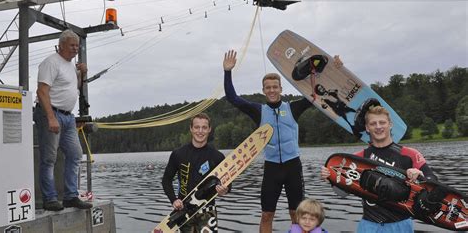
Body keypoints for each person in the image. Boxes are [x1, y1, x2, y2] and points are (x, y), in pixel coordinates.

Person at [223, 49, 342, 233]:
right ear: (263, 90)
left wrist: (333, 69)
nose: (271, 90)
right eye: (268, 87)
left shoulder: (293, 108)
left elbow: (316, 91)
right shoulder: (258, 111)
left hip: (293, 167)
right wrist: (227, 71)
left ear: (280, 88)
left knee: (296, 214)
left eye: (275, 86)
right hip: (271, 169)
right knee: (266, 215)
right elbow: (233, 98)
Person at [321, 105, 437, 233]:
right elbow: (342, 193)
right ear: (367, 128)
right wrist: (331, 179)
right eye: (373, 123)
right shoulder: (358, 158)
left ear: (390, 124)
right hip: (369, 226)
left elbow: (433, 182)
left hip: (401, 225)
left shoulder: (410, 154)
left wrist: (421, 176)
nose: (378, 127)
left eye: (382, 122)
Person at [33, 29, 92, 211]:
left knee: (75, 154)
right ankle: (49, 199)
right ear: (61, 45)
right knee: (49, 158)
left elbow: (75, 88)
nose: (76, 49)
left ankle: (70, 196)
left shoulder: (71, 65)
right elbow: (41, 91)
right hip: (51, 113)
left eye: (77, 45)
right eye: (72, 45)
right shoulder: (51, 62)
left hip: (68, 117)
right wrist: (51, 117)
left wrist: (81, 74)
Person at [162, 113, 230, 232]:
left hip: (208, 212)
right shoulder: (178, 154)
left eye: (204, 127)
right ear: (191, 128)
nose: (200, 131)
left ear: (209, 129)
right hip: (183, 212)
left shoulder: (217, 156)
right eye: (197, 127)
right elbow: (166, 180)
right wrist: (173, 199)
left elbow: (228, 184)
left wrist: (225, 190)